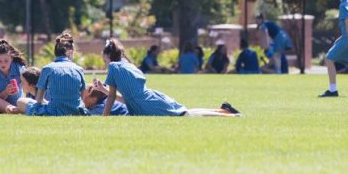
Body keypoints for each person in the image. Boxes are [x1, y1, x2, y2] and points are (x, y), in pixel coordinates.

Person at [100, 39, 241, 117]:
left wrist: (104, 118)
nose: (104, 62)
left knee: (186, 115)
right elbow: (127, 98)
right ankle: (224, 111)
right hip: (153, 98)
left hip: (147, 105)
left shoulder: (113, 67)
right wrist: (104, 90)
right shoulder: (127, 64)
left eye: (104, 59)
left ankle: (229, 115)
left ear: (108, 56)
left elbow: (113, 97)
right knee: (186, 113)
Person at [26, 32, 88, 116]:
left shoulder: (47, 68)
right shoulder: (79, 69)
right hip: (76, 111)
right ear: (70, 52)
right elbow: (82, 98)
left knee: (26, 103)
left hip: (53, 111)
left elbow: (39, 99)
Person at [0, 39, 27, 115]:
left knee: (22, 101)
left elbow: (29, 88)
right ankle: (13, 110)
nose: (3, 64)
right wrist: (6, 92)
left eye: (6, 61)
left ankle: (15, 110)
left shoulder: (19, 68)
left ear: (11, 59)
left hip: (18, 103)